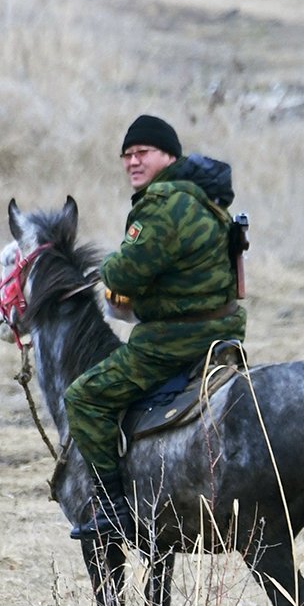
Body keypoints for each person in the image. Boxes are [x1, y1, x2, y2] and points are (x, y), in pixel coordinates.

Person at [66, 114, 247, 539]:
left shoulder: (163, 204)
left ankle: (113, 509)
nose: (132, 161)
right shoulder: (202, 198)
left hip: (174, 340)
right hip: (223, 333)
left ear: (169, 155)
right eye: (127, 155)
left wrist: (107, 266)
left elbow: (125, 274)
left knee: (84, 398)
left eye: (142, 152)